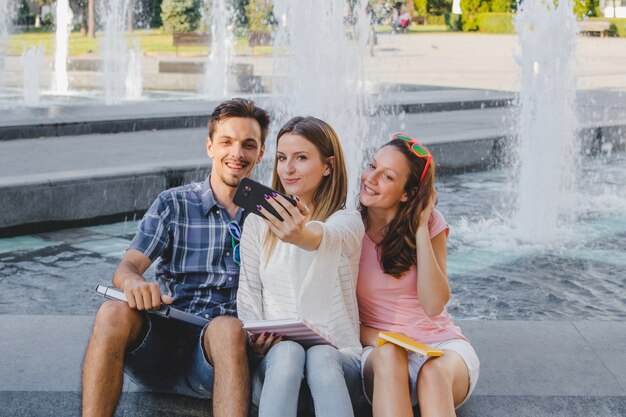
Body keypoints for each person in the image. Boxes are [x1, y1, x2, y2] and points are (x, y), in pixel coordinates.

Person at [81, 98, 270, 417]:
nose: (236, 153)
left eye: (248, 145)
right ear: (210, 146)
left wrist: (270, 329)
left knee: (227, 328)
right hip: (160, 347)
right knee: (113, 312)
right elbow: (128, 267)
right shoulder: (173, 203)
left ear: (260, 153)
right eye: (226, 141)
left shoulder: (269, 213)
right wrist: (135, 284)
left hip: (221, 354)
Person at [236, 116, 363, 417]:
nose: (288, 169)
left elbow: (329, 237)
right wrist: (257, 340)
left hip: (339, 365)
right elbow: (249, 295)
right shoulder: (257, 222)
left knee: (320, 355)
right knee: (289, 351)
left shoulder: (347, 220)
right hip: (277, 366)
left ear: (328, 166)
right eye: (282, 158)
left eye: (301, 158)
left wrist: (302, 235)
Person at [357, 133, 480, 417]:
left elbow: (434, 304)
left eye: (387, 176)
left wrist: (421, 228)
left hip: (441, 347)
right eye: (372, 166)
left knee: (433, 373)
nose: (371, 179)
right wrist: (385, 340)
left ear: (407, 194)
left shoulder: (432, 223)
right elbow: (341, 313)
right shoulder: (349, 228)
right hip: (381, 349)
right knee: (390, 356)